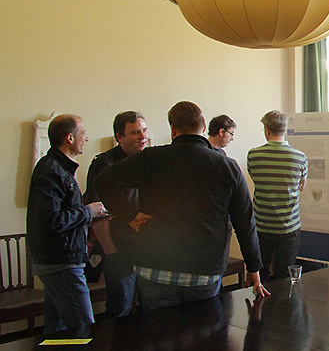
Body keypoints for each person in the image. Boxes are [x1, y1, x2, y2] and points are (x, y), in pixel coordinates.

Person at [96, 101, 267, 309]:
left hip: (155, 264)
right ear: (203, 127)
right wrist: (253, 267)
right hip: (204, 267)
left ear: (173, 129)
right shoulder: (227, 166)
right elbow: (245, 221)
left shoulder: (151, 158)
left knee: (158, 328)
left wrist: (129, 215)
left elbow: (103, 181)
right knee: (203, 327)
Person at [27, 114, 109, 333]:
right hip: (61, 264)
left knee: (57, 331)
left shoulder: (58, 168)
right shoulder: (51, 170)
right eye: (83, 133)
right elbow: (51, 220)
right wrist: (88, 212)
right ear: (69, 138)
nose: (87, 138)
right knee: (82, 330)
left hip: (61, 261)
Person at [84, 111, 149, 318]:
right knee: (120, 308)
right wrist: (111, 251)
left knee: (149, 308)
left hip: (146, 249)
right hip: (118, 250)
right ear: (119, 137)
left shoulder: (148, 161)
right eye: (135, 132)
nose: (142, 136)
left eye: (144, 131)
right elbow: (97, 211)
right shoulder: (104, 164)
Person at [248, 110, 308, 282]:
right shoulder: (300, 157)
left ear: (267, 130)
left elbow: (255, 179)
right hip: (289, 227)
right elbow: (302, 186)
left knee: (261, 273)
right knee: (284, 276)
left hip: (262, 225)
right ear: (285, 129)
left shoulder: (253, 155)